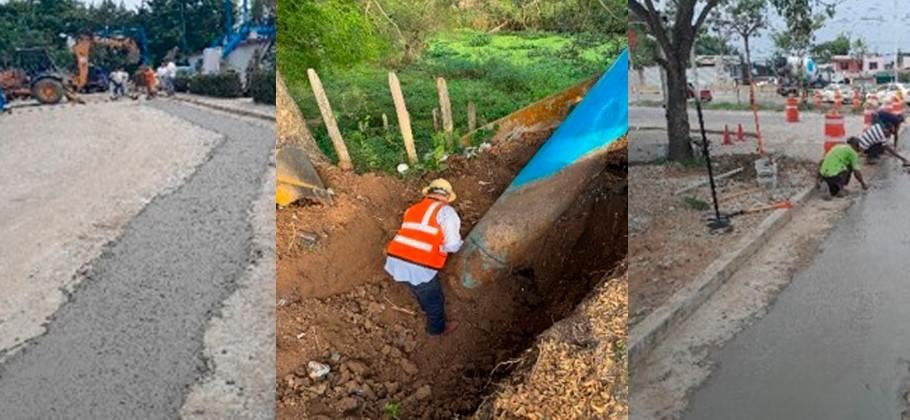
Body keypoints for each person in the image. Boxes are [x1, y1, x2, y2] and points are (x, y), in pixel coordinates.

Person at [384, 179, 463, 336]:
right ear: (447, 197)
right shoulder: (446, 212)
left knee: (418, 289)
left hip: (395, 260)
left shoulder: (412, 209)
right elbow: (452, 245)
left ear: (428, 193)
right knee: (434, 300)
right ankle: (437, 329)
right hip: (418, 265)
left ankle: (424, 305)